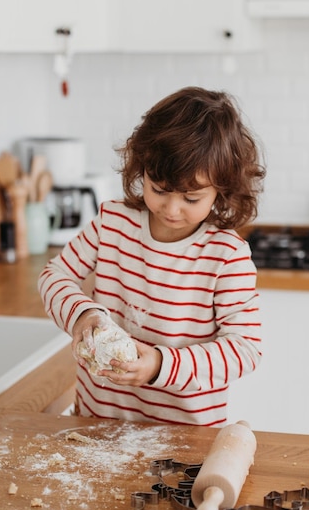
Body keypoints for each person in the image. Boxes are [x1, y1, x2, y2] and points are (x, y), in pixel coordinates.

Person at [38, 86, 266, 427]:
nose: (171, 209)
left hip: (185, 440)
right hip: (97, 424)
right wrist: (81, 314)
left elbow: (245, 349)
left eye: (191, 199)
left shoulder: (226, 255)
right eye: (159, 190)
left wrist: (161, 365)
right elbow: (55, 275)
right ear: (141, 170)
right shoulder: (113, 224)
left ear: (223, 189)